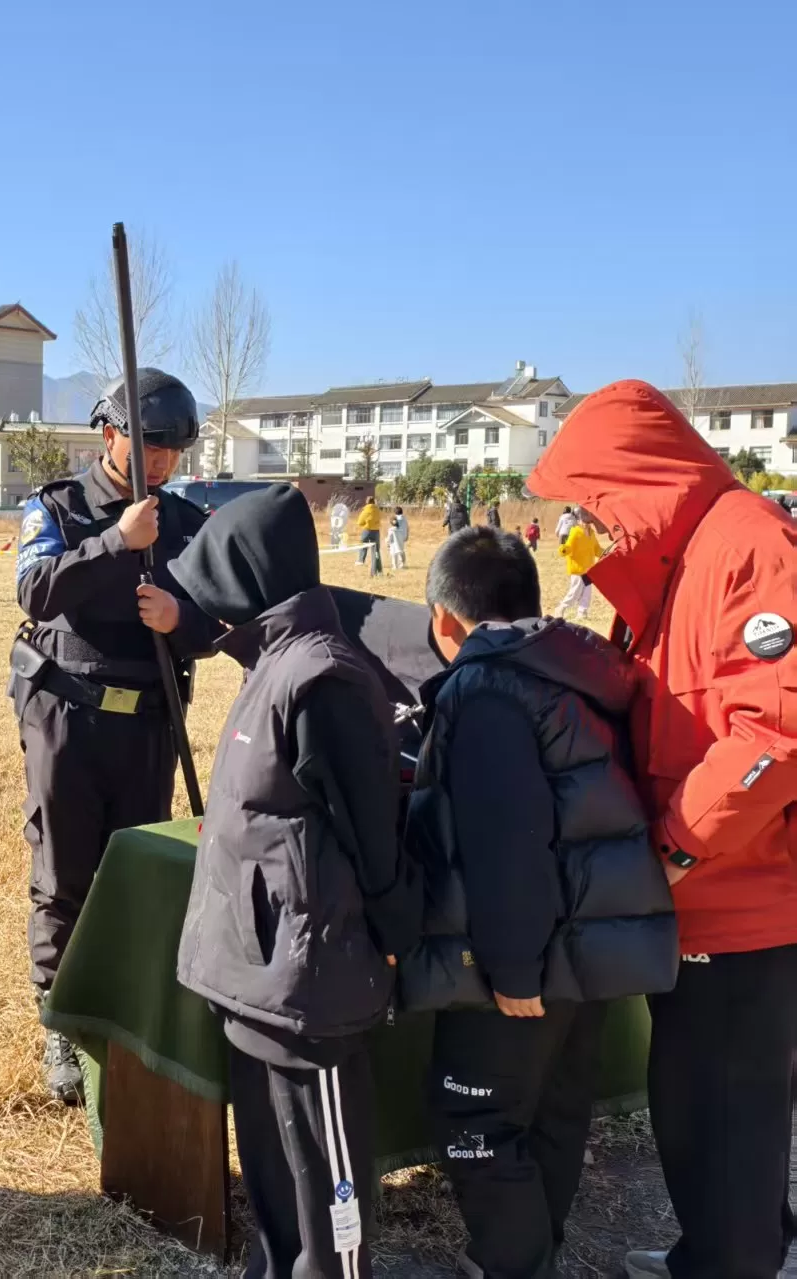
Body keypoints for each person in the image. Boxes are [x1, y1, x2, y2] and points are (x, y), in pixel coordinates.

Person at [528, 380, 797, 1279]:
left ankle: (732, 1259)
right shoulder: (678, 562)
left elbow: (777, 726)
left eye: (589, 505)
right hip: (697, 897)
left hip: (743, 896)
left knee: (721, 1106)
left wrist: (677, 843)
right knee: (698, 1103)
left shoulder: (747, 545)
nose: (583, 525)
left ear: (635, 482)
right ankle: (722, 1246)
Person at [400, 527, 677, 1279]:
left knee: (477, 1119)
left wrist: (512, 966)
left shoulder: (485, 686)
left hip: (532, 952)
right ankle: (534, 1246)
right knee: (556, 1109)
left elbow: (506, 837)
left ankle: (513, 1261)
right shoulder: (576, 665)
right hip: (594, 939)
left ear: (443, 621)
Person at [171, 484, 420, 1279]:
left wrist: (392, 934)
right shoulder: (270, 660)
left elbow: (371, 831)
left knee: (323, 1167)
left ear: (247, 580)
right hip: (257, 977)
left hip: (310, 981)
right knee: (272, 1160)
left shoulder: (325, 677)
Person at [11, 367, 220, 1103]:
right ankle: (60, 1020)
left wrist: (181, 621)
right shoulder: (60, 507)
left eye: (174, 447)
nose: (162, 460)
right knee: (63, 874)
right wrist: (114, 543)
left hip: (150, 722)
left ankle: (127, 1008)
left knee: (133, 873)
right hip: (66, 716)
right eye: (150, 442)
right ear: (111, 434)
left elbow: (218, 622)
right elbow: (34, 591)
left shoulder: (189, 523)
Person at [554, 516, 601, 622]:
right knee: (575, 593)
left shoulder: (592, 533)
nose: (586, 523)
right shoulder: (575, 532)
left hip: (588, 568)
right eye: (583, 520)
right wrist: (564, 549)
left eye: (588, 521)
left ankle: (582, 613)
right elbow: (569, 546)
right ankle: (561, 608)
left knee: (587, 593)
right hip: (577, 568)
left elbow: (596, 548)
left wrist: (605, 553)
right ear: (579, 521)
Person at [356, 496, 383, 575]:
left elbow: (360, 522)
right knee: (376, 550)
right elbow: (379, 519)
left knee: (363, 544)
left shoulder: (366, 510)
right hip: (376, 531)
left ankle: (361, 560)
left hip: (367, 530)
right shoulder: (378, 510)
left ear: (367, 502)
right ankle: (377, 566)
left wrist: (365, 524)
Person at [387, 505, 410, 571]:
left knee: (394, 552)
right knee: (401, 550)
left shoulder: (395, 519)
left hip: (395, 537)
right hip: (402, 537)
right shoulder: (404, 519)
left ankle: (395, 565)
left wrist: (388, 542)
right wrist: (406, 536)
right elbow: (407, 528)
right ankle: (402, 564)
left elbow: (394, 526)